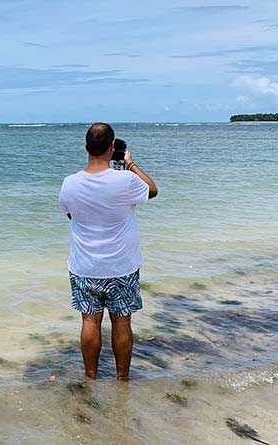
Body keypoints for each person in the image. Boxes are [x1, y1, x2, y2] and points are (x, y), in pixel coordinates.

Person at [58, 122, 158, 380]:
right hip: (121, 267)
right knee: (122, 322)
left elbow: (71, 215)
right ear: (113, 147)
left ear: (86, 148)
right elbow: (152, 190)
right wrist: (131, 165)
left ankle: (90, 376)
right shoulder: (125, 180)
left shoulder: (69, 183)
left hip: (85, 266)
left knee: (89, 321)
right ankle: (122, 379)